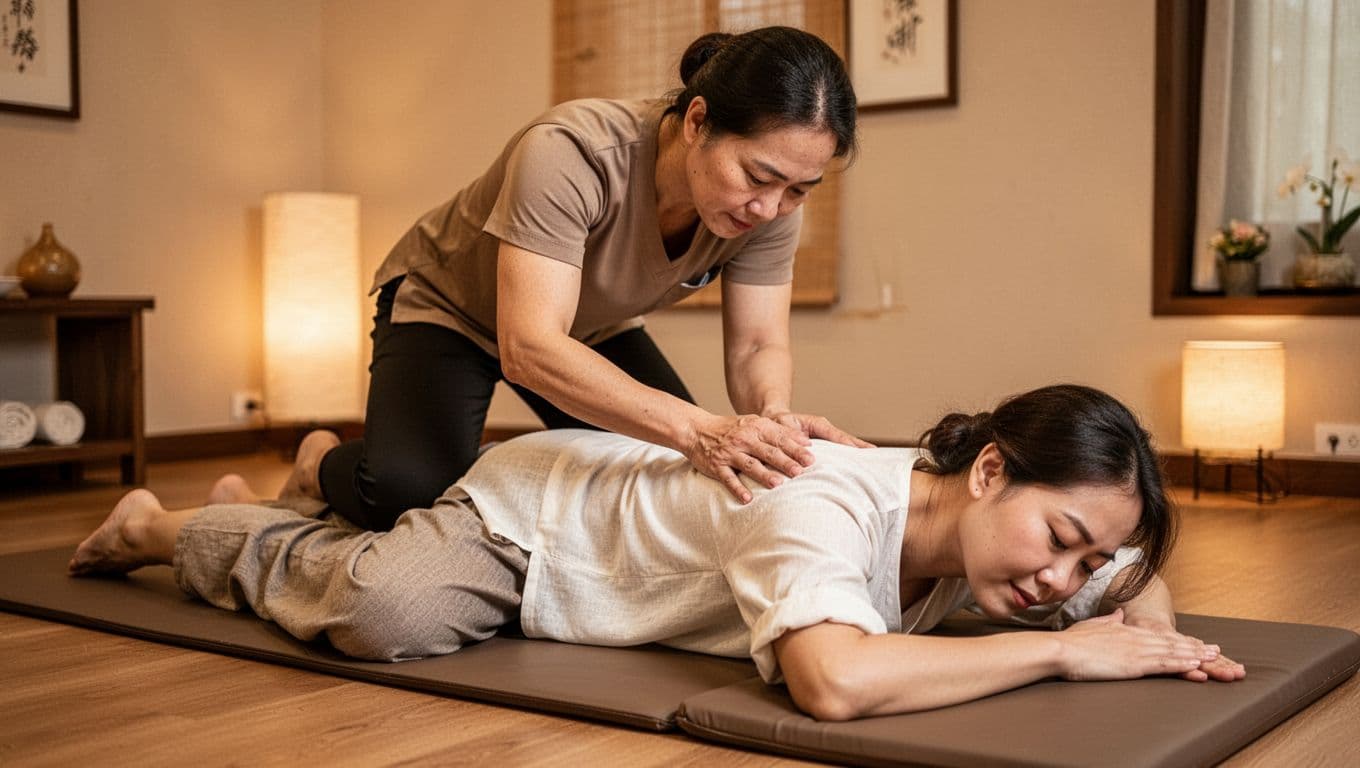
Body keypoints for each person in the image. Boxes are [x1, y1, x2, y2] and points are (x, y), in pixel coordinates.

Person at [72, 384, 1244, 720]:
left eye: (1079, 555)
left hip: (619, 543)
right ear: (990, 469)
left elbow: (1129, 576)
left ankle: (312, 485)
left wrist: (1144, 616)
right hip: (538, 523)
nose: (1057, 578)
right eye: (1059, 538)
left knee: (368, 574)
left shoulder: (997, 534)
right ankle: (175, 524)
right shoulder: (820, 505)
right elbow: (832, 682)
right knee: (391, 617)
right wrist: (1060, 656)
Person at [264, 26, 869, 532]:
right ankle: (317, 461)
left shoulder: (770, 210)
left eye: (797, 189)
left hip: (587, 324)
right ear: (697, 121)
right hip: (451, 306)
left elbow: (759, 344)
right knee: (404, 494)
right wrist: (699, 428)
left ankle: (473, 458)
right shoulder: (571, 152)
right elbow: (529, 348)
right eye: (757, 176)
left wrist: (773, 415)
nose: (769, 206)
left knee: (675, 472)